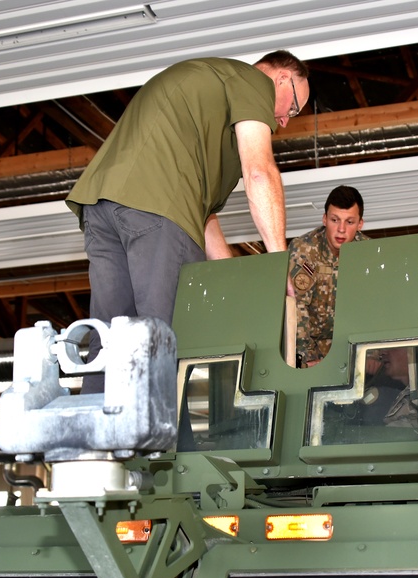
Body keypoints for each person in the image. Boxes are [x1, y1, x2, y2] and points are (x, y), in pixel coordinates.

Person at [67, 51, 309, 393]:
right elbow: (260, 173)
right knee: (165, 333)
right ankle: (160, 443)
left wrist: (234, 280)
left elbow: (202, 215)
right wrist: (278, 261)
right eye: (294, 107)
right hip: (158, 206)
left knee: (110, 335)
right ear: (282, 78)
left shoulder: (209, 90)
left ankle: (98, 438)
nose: (286, 120)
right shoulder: (254, 82)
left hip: (104, 205)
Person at [288, 185, 367, 367]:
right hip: (310, 347)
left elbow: (375, 309)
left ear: (360, 224)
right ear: (324, 219)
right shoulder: (305, 250)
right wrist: (306, 361)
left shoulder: (368, 254)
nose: (341, 229)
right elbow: (297, 307)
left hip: (352, 348)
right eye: (334, 220)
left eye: (349, 222)